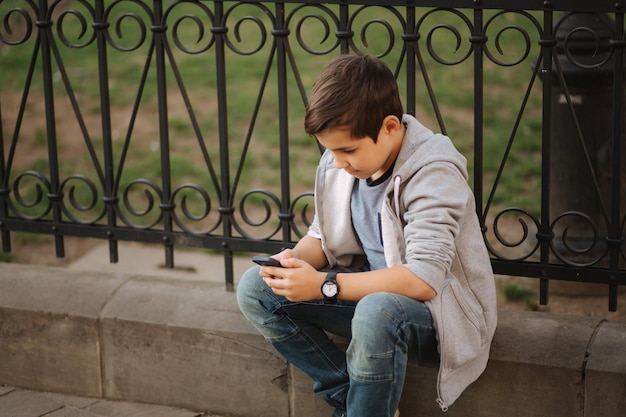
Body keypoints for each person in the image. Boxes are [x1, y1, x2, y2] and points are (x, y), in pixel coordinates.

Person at [236, 54, 497, 417]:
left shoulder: (433, 172)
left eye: (347, 150)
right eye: (330, 150)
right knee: (256, 289)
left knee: (378, 309)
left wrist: (323, 286)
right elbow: (323, 234)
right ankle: (356, 404)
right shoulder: (346, 161)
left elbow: (423, 279)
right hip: (373, 295)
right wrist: (293, 263)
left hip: (440, 315)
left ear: (390, 127)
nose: (338, 162)